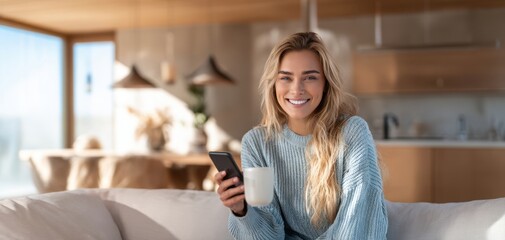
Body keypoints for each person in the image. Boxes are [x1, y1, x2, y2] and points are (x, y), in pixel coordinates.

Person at [214, 32, 388, 239]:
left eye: (310, 77)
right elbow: (268, 236)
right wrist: (241, 210)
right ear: (274, 84)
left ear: (326, 85)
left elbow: (357, 224)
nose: (296, 89)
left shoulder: (352, 133)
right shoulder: (257, 143)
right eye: (286, 78)